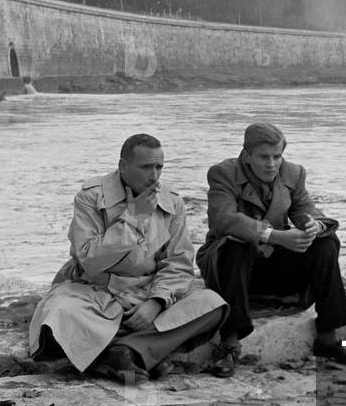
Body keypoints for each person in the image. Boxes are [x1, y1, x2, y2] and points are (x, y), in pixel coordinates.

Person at [28, 133, 228, 384]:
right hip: (94, 291)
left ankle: (121, 352)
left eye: (159, 167)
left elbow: (178, 264)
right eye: (146, 167)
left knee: (212, 305)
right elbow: (89, 259)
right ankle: (141, 352)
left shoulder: (172, 201)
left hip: (146, 291)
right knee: (59, 313)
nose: (154, 175)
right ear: (123, 166)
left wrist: (157, 301)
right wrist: (133, 219)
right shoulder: (90, 197)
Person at [196, 123, 346, 377]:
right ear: (247, 155)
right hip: (232, 269)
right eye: (264, 157)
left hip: (271, 267)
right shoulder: (223, 173)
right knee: (233, 245)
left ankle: (327, 338)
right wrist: (275, 236)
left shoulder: (293, 173)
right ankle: (229, 345)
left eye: (277, 156)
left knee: (325, 242)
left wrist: (314, 225)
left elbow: (307, 209)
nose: (272, 164)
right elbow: (223, 219)